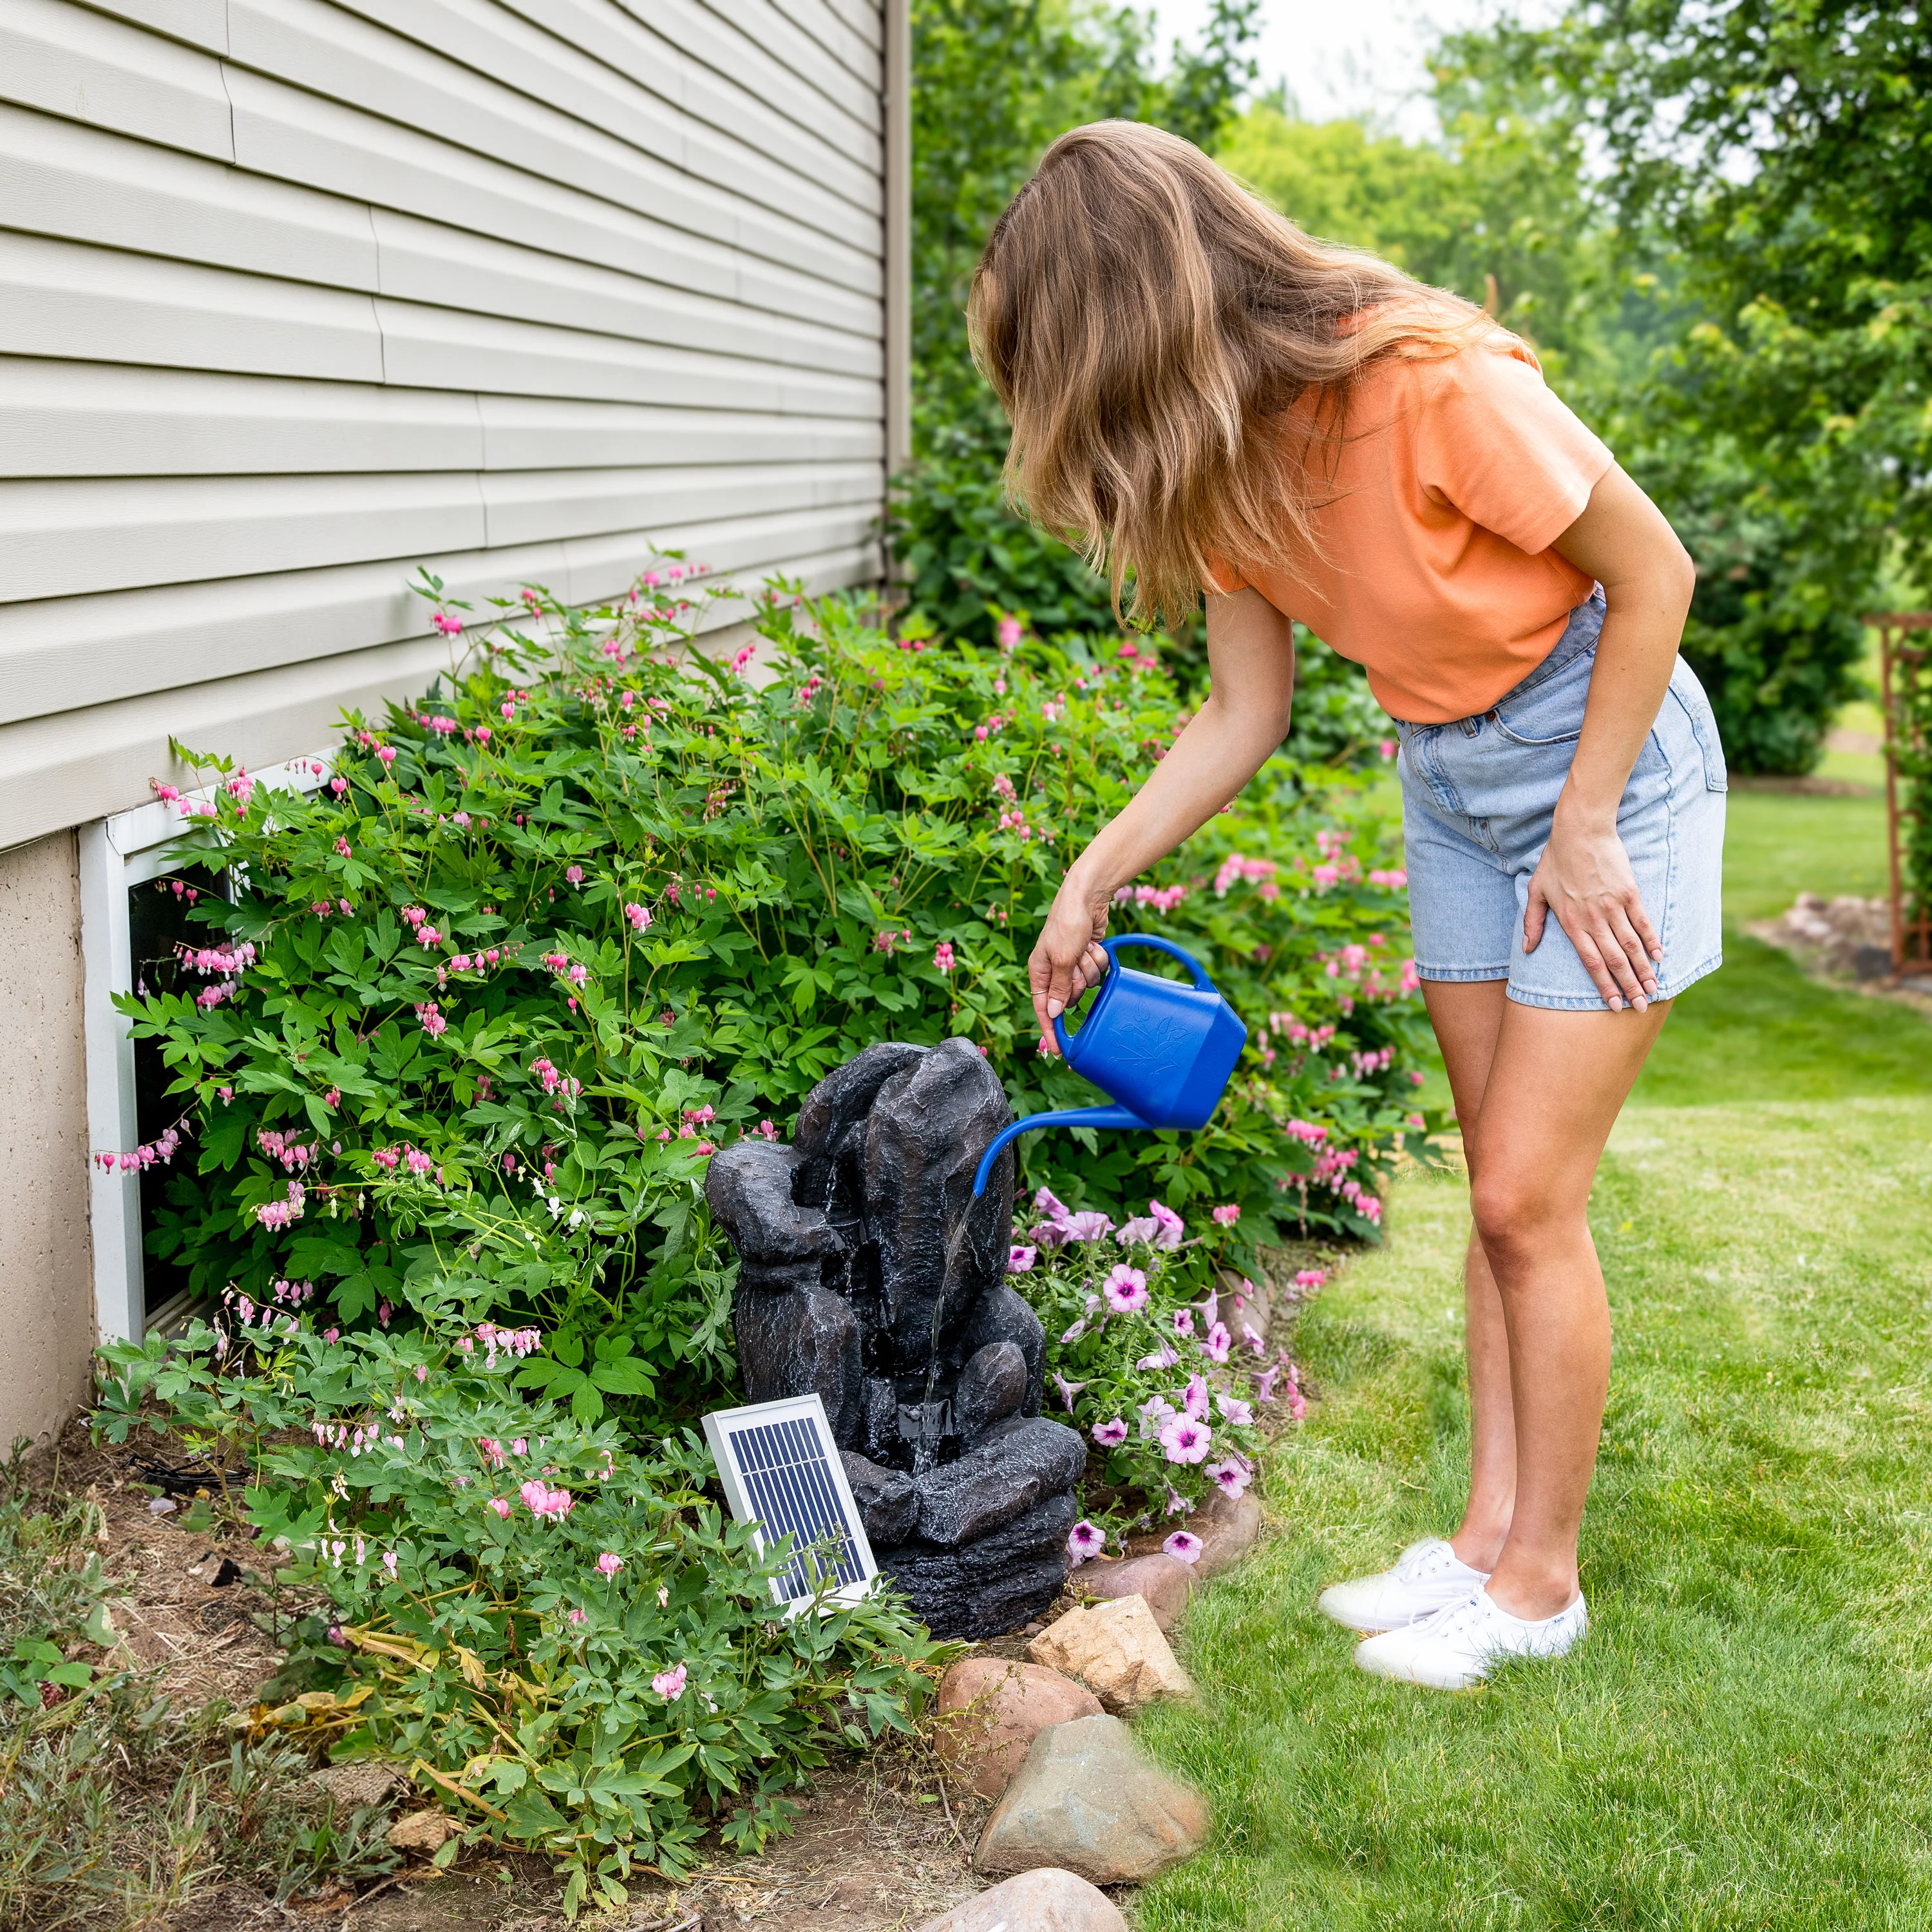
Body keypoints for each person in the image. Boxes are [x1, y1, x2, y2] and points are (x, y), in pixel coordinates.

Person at [974, 121, 1725, 1690]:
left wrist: (1586, 822)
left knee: (1527, 1200)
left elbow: (1654, 571)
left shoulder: (1430, 384)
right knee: (1499, 1185)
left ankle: (1541, 1589)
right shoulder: (1221, 459)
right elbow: (1241, 714)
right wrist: (1092, 874)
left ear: (1124, 327)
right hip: (1450, 775)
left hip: (1607, 759)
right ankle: (1482, 1542)